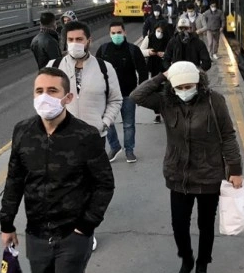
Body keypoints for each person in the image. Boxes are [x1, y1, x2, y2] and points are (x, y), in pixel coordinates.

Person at [0, 67, 114, 273]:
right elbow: (13, 180)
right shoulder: (23, 132)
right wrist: (7, 224)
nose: (44, 97)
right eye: (38, 91)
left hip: (73, 234)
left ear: (68, 97)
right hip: (36, 231)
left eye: (52, 91)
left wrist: (86, 225)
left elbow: (105, 184)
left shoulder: (85, 136)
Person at [131, 61, 243, 273]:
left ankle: (202, 267)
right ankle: (187, 260)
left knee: (205, 225)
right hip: (177, 174)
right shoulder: (165, 101)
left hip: (209, 174)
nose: (184, 90)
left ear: (199, 83)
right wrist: (162, 75)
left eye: (188, 85)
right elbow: (136, 96)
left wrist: (235, 169)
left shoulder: (215, 102)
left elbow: (228, 136)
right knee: (179, 224)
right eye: (179, 86)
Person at [47, 20, 123, 251]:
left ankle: (85, 231)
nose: (75, 44)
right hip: (61, 138)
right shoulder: (55, 65)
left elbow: (115, 99)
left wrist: (104, 123)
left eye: (79, 39)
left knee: (88, 187)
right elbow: (44, 98)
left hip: (93, 137)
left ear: (89, 40)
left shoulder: (104, 68)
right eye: (70, 40)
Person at [96, 20, 149, 163]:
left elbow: (143, 71)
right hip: (107, 96)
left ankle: (129, 151)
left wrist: (140, 91)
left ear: (124, 32)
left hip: (128, 94)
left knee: (129, 124)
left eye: (119, 32)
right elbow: (95, 71)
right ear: (109, 34)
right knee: (107, 123)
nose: (116, 35)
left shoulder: (133, 50)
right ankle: (114, 147)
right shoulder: (103, 50)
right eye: (113, 33)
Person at [140, 21, 171, 124]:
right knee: (156, 90)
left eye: (161, 32)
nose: (159, 33)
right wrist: (149, 52)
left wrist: (166, 54)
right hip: (153, 67)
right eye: (158, 31)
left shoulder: (169, 39)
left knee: (166, 90)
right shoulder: (149, 38)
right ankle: (157, 114)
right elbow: (140, 51)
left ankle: (166, 113)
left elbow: (174, 51)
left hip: (166, 67)